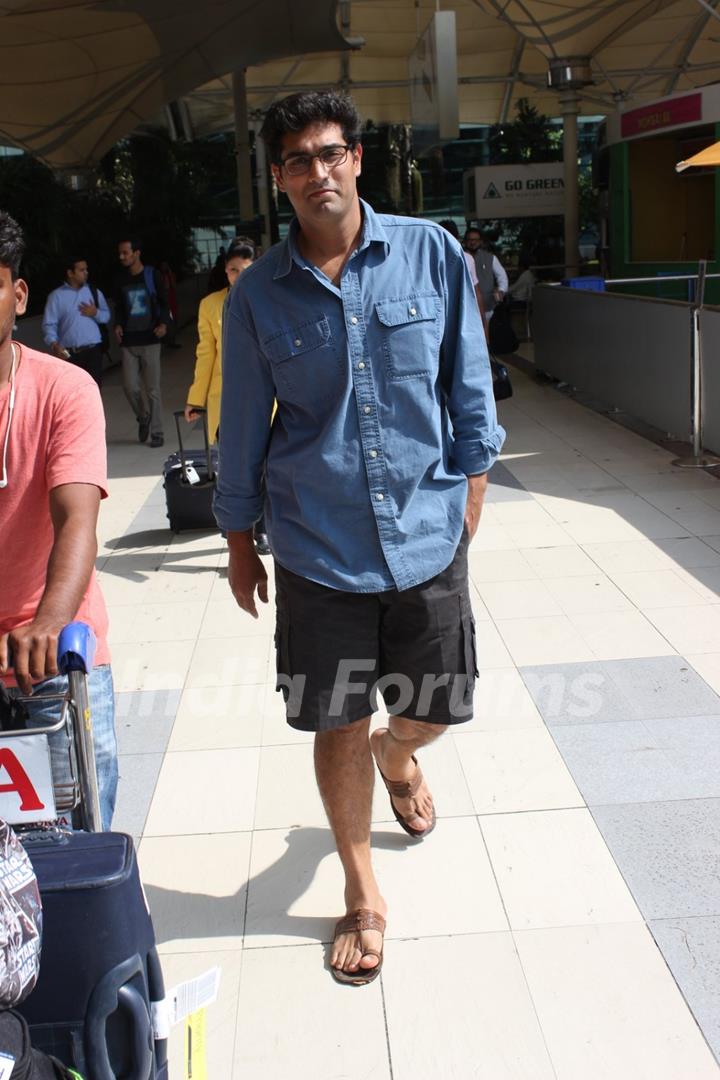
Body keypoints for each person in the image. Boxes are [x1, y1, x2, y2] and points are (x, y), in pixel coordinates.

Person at [215, 91, 504, 985]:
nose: (317, 171)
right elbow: (243, 431)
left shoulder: (429, 253)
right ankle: (361, 889)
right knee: (335, 718)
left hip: (425, 533)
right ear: (278, 178)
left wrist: (475, 484)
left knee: (437, 706)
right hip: (316, 549)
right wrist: (236, 540)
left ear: (358, 158)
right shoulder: (256, 295)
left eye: (329, 152)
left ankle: (399, 756)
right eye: (297, 160)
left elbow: (469, 380)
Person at [0, 210, 118, 830]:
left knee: (79, 838)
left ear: (17, 295)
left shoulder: (64, 390)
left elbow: (77, 518)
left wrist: (48, 622)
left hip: (52, 653)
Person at [185, 241, 270, 554]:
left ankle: (261, 530)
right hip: (227, 399)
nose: (238, 276)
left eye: (244, 270)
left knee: (265, 467)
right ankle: (237, 528)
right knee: (233, 466)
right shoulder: (210, 305)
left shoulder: (270, 298)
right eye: (233, 270)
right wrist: (196, 400)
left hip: (268, 399)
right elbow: (205, 355)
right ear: (225, 271)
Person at [114, 236, 170, 448]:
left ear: (137, 253)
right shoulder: (120, 279)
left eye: (125, 253)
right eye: (120, 253)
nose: (122, 257)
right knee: (130, 387)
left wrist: (164, 324)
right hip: (128, 341)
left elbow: (164, 303)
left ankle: (157, 432)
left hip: (150, 339)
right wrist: (118, 324)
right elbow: (119, 307)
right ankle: (143, 416)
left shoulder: (152, 275)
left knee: (152, 389)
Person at [41, 256, 110, 387]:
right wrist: (54, 344)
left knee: (94, 390)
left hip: (94, 351)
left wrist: (95, 313)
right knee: (74, 392)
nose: (86, 273)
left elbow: (106, 316)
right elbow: (49, 324)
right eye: (81, 270)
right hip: (70, 354)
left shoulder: (94, 292)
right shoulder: (56, 297)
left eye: (86, 269)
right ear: (70, 273)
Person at [438, 219, 488, 340]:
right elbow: (477, 292)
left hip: (441, 315)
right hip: (464, 314)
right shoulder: (467, 258)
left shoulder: (431, 259)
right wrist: (482, 320)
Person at [463, 226, 509, 316]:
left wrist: (501, 291)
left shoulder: (490, 258)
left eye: (476, 240)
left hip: (488, 308)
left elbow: (502, 277)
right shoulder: (459, 258)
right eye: (470, 240)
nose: (473, 242)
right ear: (465, 241)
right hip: (467, 309)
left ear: (481, 242)